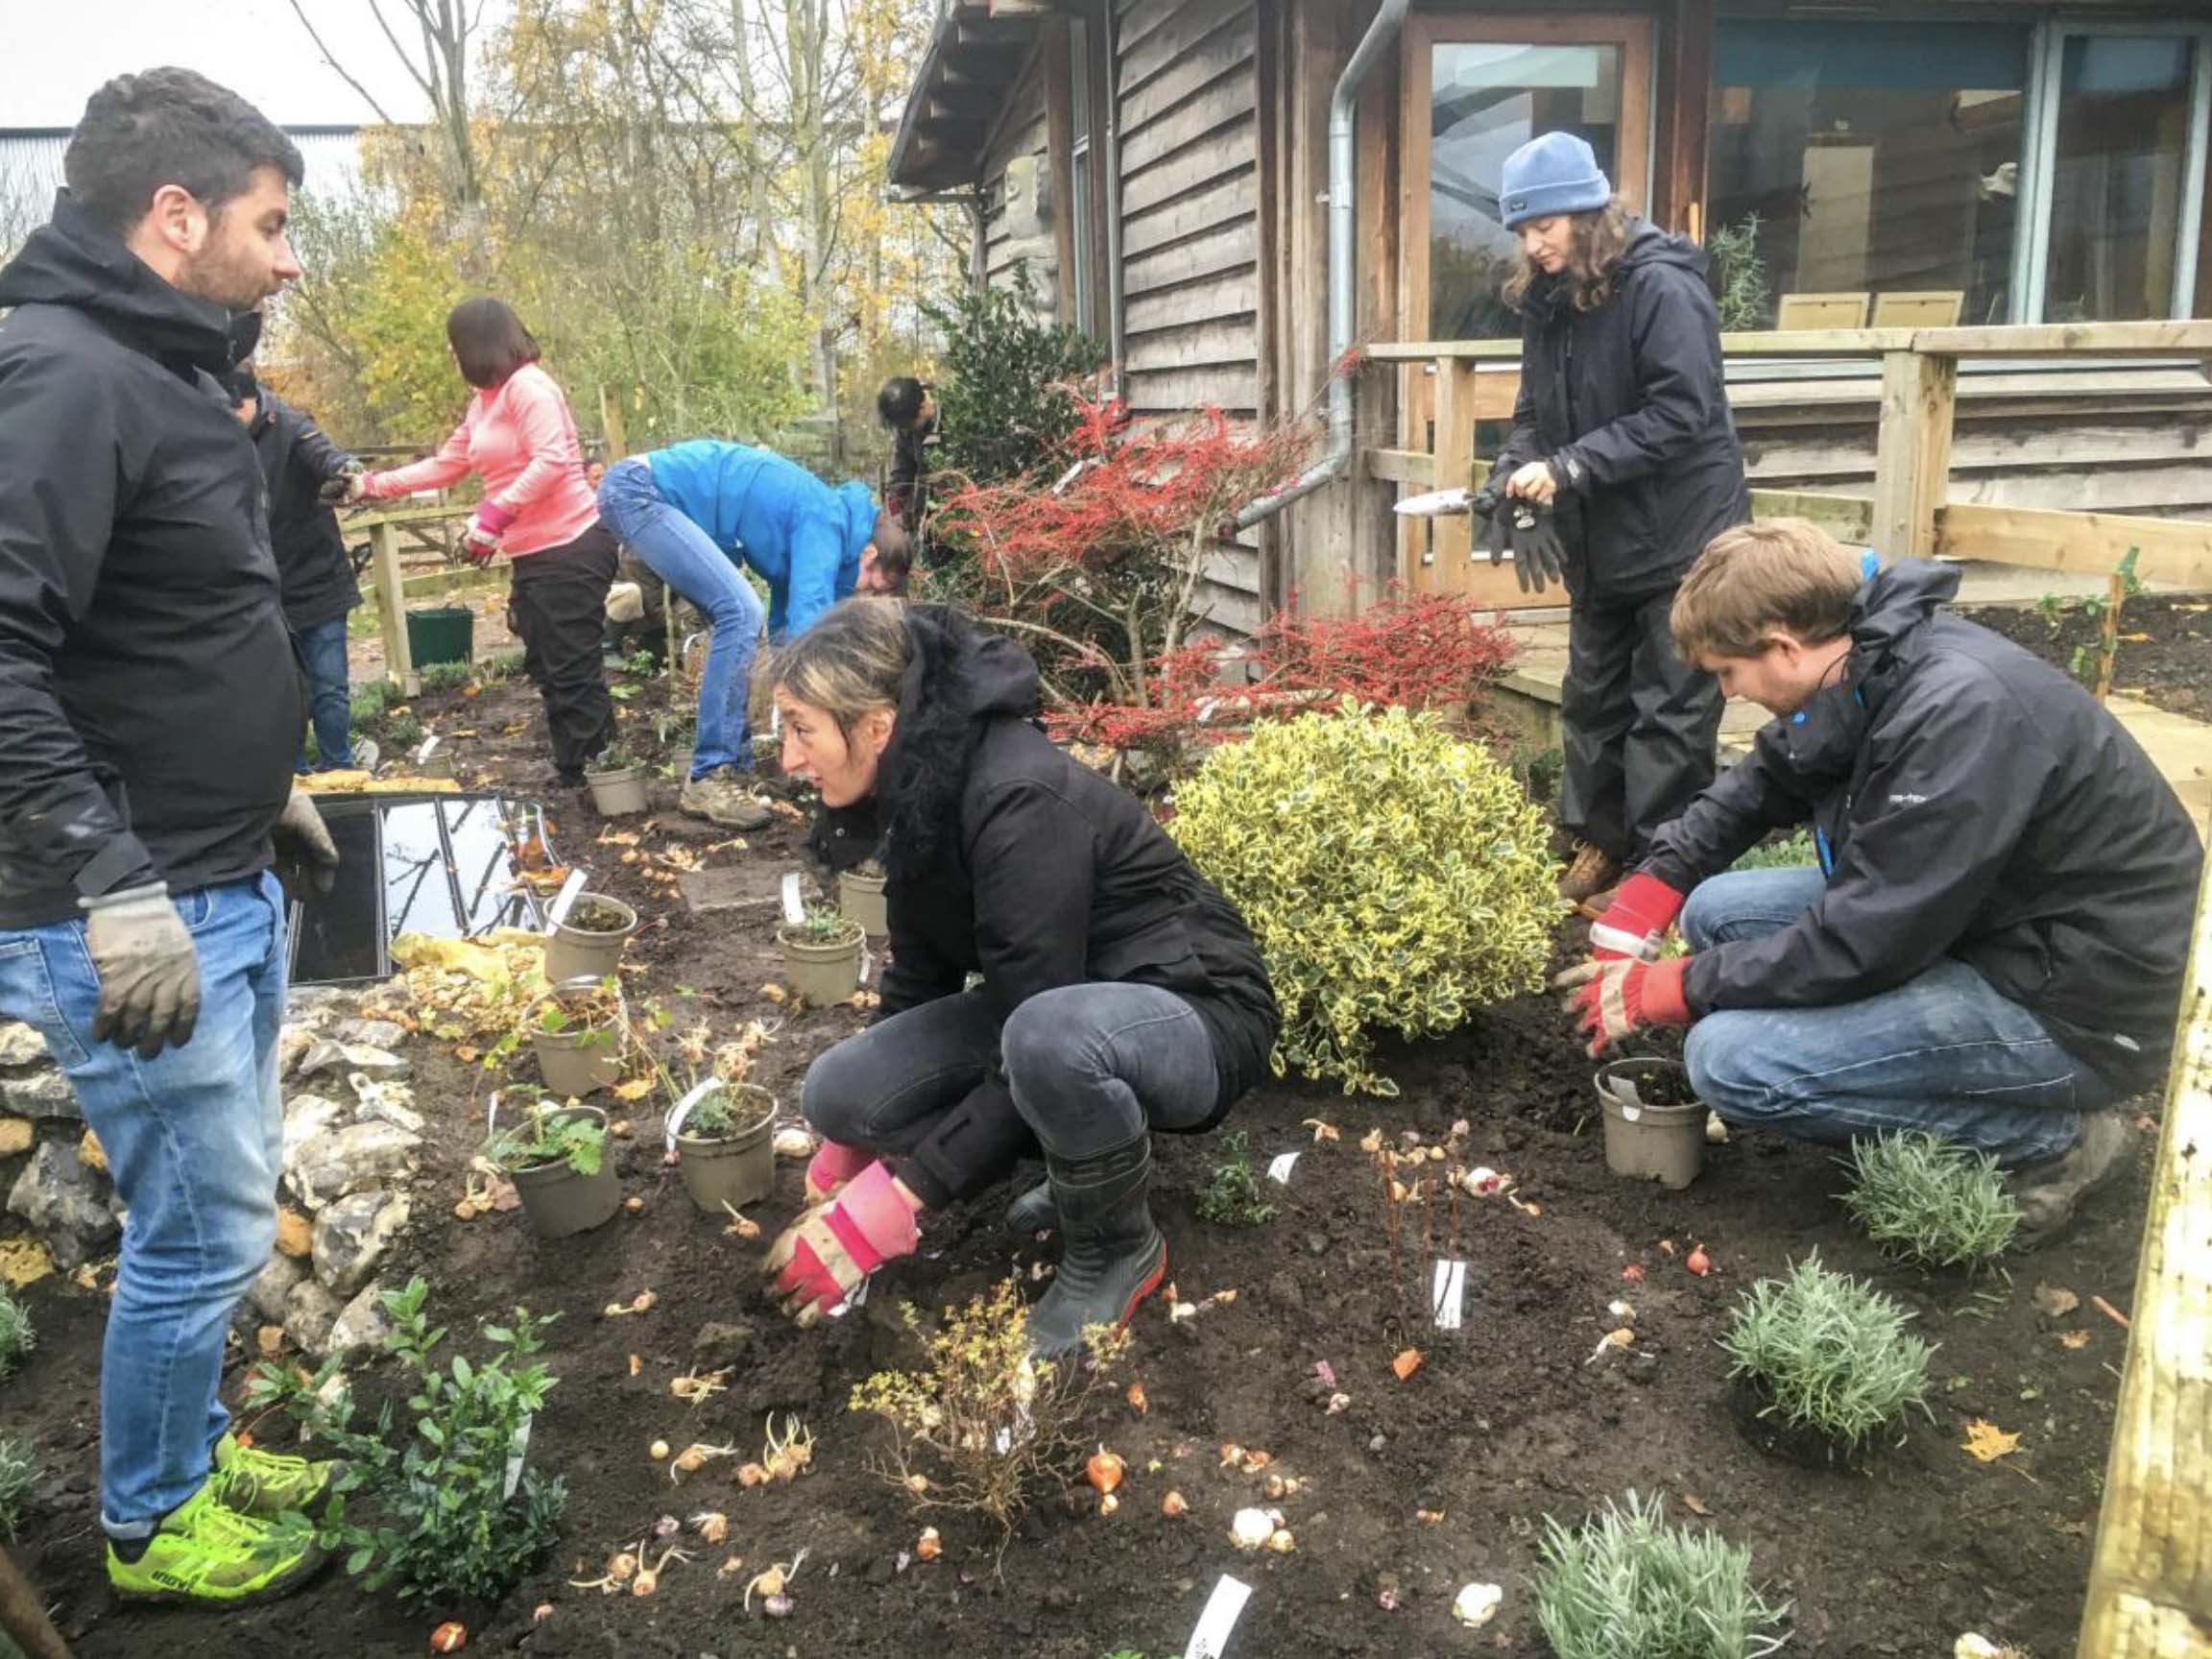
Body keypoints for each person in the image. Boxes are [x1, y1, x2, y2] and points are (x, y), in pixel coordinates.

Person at [0, 66, 344, 1603]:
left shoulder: (164, 368)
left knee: (210, 1201)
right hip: (135, 913)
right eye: (270, 225)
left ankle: (193, 1446)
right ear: (175, 212)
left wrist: (257, 775)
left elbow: (162, 623)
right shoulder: (62, 375)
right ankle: (149, 1525)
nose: (284, 259)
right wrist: (109, 880)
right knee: (201, 1230)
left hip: (219, 869)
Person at [1556, 519, 2203, 1242]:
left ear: (1782, 648)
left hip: (2083, 1005)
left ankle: (2056, 1140)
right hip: (1990, 926)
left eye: (1725, 673)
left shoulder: (1957, 714)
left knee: (1732, 1065)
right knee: (1715, 911)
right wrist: (1653, 889)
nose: (1727, 693)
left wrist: (1675, 987)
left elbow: (1866, 940)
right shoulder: (1866, 663)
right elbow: (1764, 782)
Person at [754, 600, 1278, 1352]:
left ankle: (1114, 1247)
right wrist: (850, 1153)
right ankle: (1082, 1166)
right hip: (1060, 1011)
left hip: (1195, 1011)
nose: (790, 759)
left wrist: (902, 1199)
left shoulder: (1015, 797)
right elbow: (922, 974)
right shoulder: (919, 792)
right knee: (841, 1093)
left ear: (876, 725)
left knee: (1044, 1041)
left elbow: (1032, 1015)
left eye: (803, 729)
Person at [1482, 131, 1749, 902]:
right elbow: (1533, 411)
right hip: (1599, 537)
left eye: (1546, 227)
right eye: (1523, 232)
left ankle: (1661, 872)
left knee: (1669, 706)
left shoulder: (1663, 289)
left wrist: (1568, 468)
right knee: (1592, 697)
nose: (1534, 246)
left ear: (1588, 213)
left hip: (1683, 534)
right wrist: (1513, 467)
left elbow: (1682, 413)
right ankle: (1601, 844)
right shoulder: (1549, 302)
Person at [350, 298, 617, 787]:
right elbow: (446, 464)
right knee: (548, 665)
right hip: (536, 555)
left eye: (455, 349)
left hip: (571, 546)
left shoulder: (529, 389)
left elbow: (552, 461)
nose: (454, 360)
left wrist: (493, 515)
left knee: (572, 669)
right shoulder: (485, 404)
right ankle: (580, 772)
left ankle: (599, 780)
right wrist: (371, 486)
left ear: (477, 345)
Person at [595, 442, 910, 830]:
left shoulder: (823, 527)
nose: (866, 597)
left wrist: (799, 734)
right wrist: (839, 711)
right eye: (872, 587)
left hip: (638, 490)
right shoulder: (827, 516)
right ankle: (710, 774)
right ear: (868, 554)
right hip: (639, 490)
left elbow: (785, 634)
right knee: (741, 611)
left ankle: (733, 769)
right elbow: (809, 628)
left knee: (739, 619)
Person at [225, 361, 372, 774]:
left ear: (252, 401)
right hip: (263, 592)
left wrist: (348, 474)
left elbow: (327, 455)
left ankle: (340, 771)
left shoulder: (290, 426)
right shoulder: (217, 436)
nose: (229, 420)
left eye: (234, 410)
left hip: (318, 580)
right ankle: (292, 779)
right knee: (279, 696)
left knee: (329, 689)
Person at [877, 374, 937, 539]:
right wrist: (894, 512)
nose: (903, 431)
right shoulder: (905, 424)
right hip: (926, 517)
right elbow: (901, 474)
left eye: (907, 426)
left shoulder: (955, 419)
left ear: (924, 407)